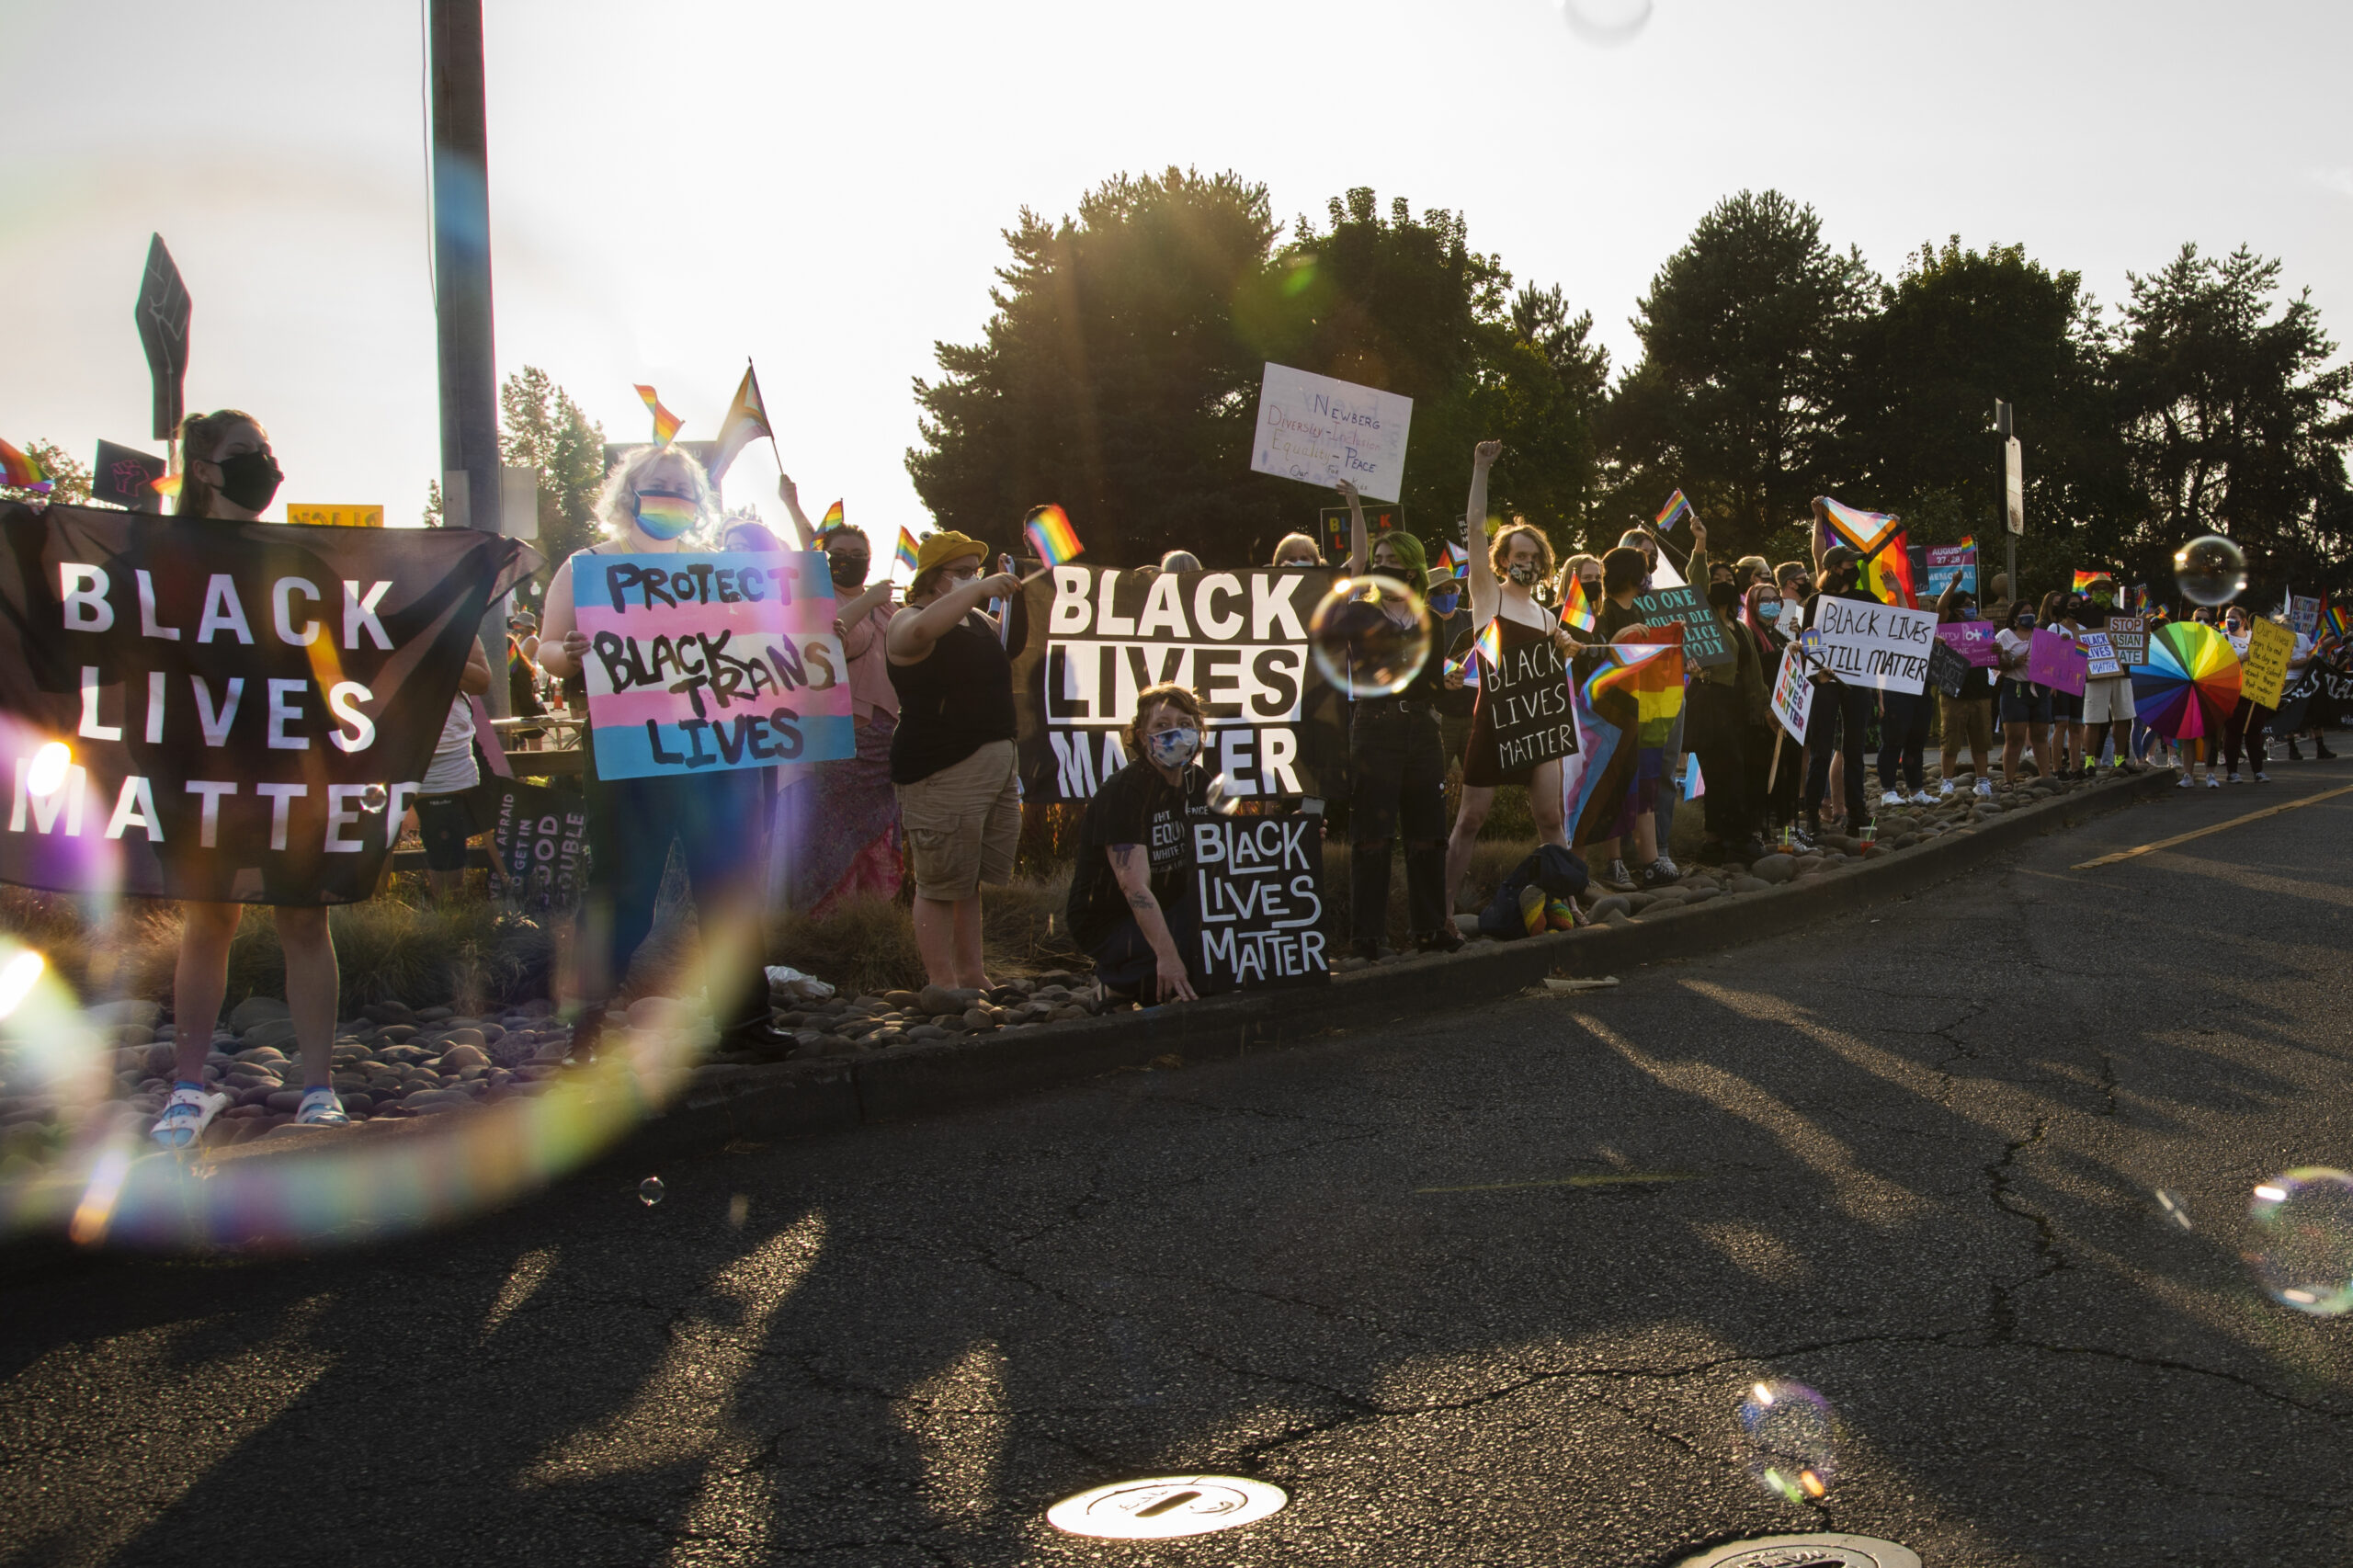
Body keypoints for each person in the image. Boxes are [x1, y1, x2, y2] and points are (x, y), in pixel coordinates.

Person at [538, 444, 781, 1057]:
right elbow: (546, 649)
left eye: (683, 489)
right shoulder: (588, 565)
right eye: (660, 486)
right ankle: (586, 1027)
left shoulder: (711, 569)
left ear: (697, 504)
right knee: (621, 888)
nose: (671, 497)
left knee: (728, 885)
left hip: (712, 747)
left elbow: (754, 641)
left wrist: (810, 635)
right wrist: (569, 652)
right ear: (629, 495)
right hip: (628, 749)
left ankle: (746, 1026)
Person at [150, 409, 350, 1145]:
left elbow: (341, 655)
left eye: (266, 450)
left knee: (304, 918)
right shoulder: (156, 558)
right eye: (246, 452)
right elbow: (88, 631)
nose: (265, 464)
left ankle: (319, 1089)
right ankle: (187, 1090)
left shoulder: (294, 558)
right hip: (198, 769)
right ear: (204, 470)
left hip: (289, 766)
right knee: (209, 921)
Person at [883, 530, 1024, 989]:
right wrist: (979, 590)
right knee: (940, 883)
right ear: (931, 577)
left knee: (968, 880)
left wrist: (1010, 587)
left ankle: (971, 973)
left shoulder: (977, 620)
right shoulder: (908, 618)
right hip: (940, 768)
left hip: (993, 767)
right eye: (961, 572)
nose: (972, 579)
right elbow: (918, 634)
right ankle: (941, 983)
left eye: (975, 571)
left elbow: (1013, 642)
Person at [1444, 444, 1580, 908]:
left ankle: (1568, 905)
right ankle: (1444, 911)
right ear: (1502, 560)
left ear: (1544, 563)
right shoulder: (1487, 595)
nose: (1527, 563)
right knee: (1470, 820)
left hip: (1539, 727)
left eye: (1535, 557)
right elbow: (1475, 527)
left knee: (1551, 820)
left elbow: (1551, 676)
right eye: (1519, 555)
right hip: (1494, 723)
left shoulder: (1547, 616)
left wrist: (1565, 646)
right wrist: (1480, 468)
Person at [1336, 479, 1460, 958]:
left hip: (1423, 730)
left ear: (1411, 568)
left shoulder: (1430, 619)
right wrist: (1355, 507)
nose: (1383, 565)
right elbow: (1356, 564)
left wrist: (1446, 682)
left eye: (1392, 559)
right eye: (1380, 559)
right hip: (1375, 728)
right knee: (1372, 836)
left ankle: (1430, 929)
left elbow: (1432, 681)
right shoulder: (1358, 615)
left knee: (1428, 834)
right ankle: (1368, 938)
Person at [770, 489, 906, 914]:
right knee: (832, 832)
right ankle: (828, 923)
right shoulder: (818, 600)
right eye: (839, 554)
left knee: (880, 831)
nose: (850, 560)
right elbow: (826, 643)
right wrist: (792, 505)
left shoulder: (890, 609)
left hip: (886, 740)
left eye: (858, 554)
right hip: (842, 739)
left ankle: (872, 920)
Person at [1064, 683, 1207, 1003]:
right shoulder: (1123, 792)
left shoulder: (1199, 782)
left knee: (1220, 935)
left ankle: (1144, 976)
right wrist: (1168, 957)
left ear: (1199, 731)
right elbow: (1133, 887)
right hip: (1110, 922)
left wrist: (1293, 835)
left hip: (1173, 909)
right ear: (1143, 736)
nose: (1175, 733)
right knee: (1195, 951)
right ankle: (1117, 985)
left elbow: (1232, 853)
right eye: (1162, 725)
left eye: (1185, 723)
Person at [1581, 544, 1673, 885]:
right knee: (1615, 787)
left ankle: (1651, 861)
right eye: (1643, 570)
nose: (1648, 577)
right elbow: (1596, 663)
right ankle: (1613, 863)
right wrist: (1615, 642)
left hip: (1640, 709)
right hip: (1612, 714)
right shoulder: (1603, 615)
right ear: (1630, 575)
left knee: (1643, 785)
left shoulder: (1638, 611)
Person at [1684, 524, 1769, 863]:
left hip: (1738, 705)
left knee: (1735, 771)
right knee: (1724, 772)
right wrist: (1701, 542)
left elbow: (1754, 673)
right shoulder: (1704, 619)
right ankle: (1736, 839)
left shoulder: (1742, 629)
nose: (1723, 583)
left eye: (1728, 579)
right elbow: (1696, 579)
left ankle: (1716, 841)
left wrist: (1765, 708)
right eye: (1716, 579)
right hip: (1711, 702)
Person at [1799, 545, 1881, 843]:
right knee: (1821, 750)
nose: (1854, 568)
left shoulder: (1867, 599)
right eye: (1849, 563)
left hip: (1859, 682)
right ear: (1834, 567)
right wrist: (1817, 663)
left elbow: (1891, 632)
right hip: (1826, 682)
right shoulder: (1816, 601)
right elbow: (1808, 642)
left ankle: (1856, 811)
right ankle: (1812, 814)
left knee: (1854, 749)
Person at [415, 642, 495, 903]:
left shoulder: (454, 621)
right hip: (379, 744)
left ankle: (449, 917)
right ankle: (371, 917)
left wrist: (439, 647)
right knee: (373, 838)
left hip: (444, 747)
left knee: (445, 838)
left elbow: (481, 682)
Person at [1742, 577, 1802, 839]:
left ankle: (1788, 828)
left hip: (1784, 714)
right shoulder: (1749, 635)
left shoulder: (1776, 635)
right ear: (1753, 605)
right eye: (1764, 600)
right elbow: (1754, 666)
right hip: (1763, 716)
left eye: (1775, 600)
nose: (1771, 604)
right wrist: (1783, 653)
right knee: (1763, 775)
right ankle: (1762, 830)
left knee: (1787, 773)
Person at [1936, 583, 1998, 797]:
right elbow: (1940, 607)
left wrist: (1996, 650)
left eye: (1973, 604)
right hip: (1953, 692)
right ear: (1956, 609)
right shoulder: (1947, 625)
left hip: (1980, 691)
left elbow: (1995, 660)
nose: (1972, 608)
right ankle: (1946, 781)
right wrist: (1954, 583)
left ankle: (1982, 781)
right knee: (1950, 740)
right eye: (1967, 605)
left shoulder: (1981, 628)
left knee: (1981, 741)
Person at [2079, 579, 2140, 777]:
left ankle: (2119, 759)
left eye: (2105, 588)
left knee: (2123, 716)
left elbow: (2134, 640)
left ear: (2113, 592)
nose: (2102, 591)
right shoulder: (2084, 613)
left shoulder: (2122, 615)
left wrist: (2141, 640)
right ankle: (2089, 762)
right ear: (2091, 592)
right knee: (2093, 719)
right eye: (2097, 589)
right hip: (2096, 672)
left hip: (2122, 671)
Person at [1993, 599, 2055, 788]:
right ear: (2015, 617)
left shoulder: (2042, 636)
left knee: (2041, 736)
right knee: (2015, 738)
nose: (2030, 615)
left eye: (2031, 611)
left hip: (2040, 689)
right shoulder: (2004, 636)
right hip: (2015, 689)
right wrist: (2012, 663)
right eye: (2025, 611)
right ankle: (2008, 780)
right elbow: (1994, 664)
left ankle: (2045, 777)